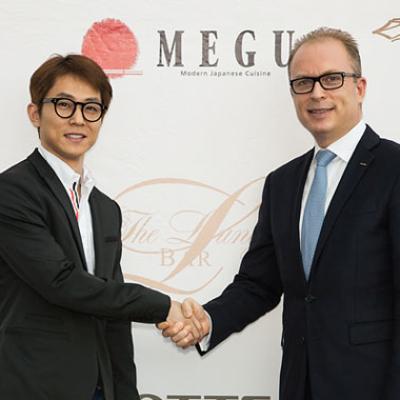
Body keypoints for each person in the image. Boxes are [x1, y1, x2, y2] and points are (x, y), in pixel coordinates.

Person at [160, 27, 400, 400]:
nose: (316, 93)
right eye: (303, 82)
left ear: (360, 87)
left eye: (331, 79)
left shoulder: (394, 168)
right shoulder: (282, 183)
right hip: (298, 384)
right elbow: (259, 284)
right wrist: (207, 320)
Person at [0, 54, 200, 400]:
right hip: (34, 385)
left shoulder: (106, 209)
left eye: (91, 108)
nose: (78, 118)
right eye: (64, 104)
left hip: (99, 388)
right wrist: (163, 306)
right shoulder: (12, 192)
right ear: (35, 113)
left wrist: (125, 392)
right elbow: (61, 283)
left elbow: (113, 317)